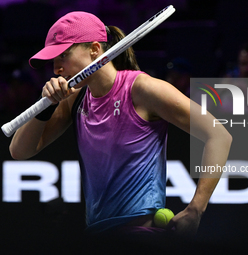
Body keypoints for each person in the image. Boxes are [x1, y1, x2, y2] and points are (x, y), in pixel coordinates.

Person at [8, 11, 232, 237]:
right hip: (98, 236)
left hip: (141, 237)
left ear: (95, 50)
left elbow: (219, 136)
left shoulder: (143, 89)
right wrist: (46, 104)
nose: (56, 68)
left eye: (63, 56)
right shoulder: (74, 99)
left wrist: (196, 209)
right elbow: (19, 151)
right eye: (53, 60)